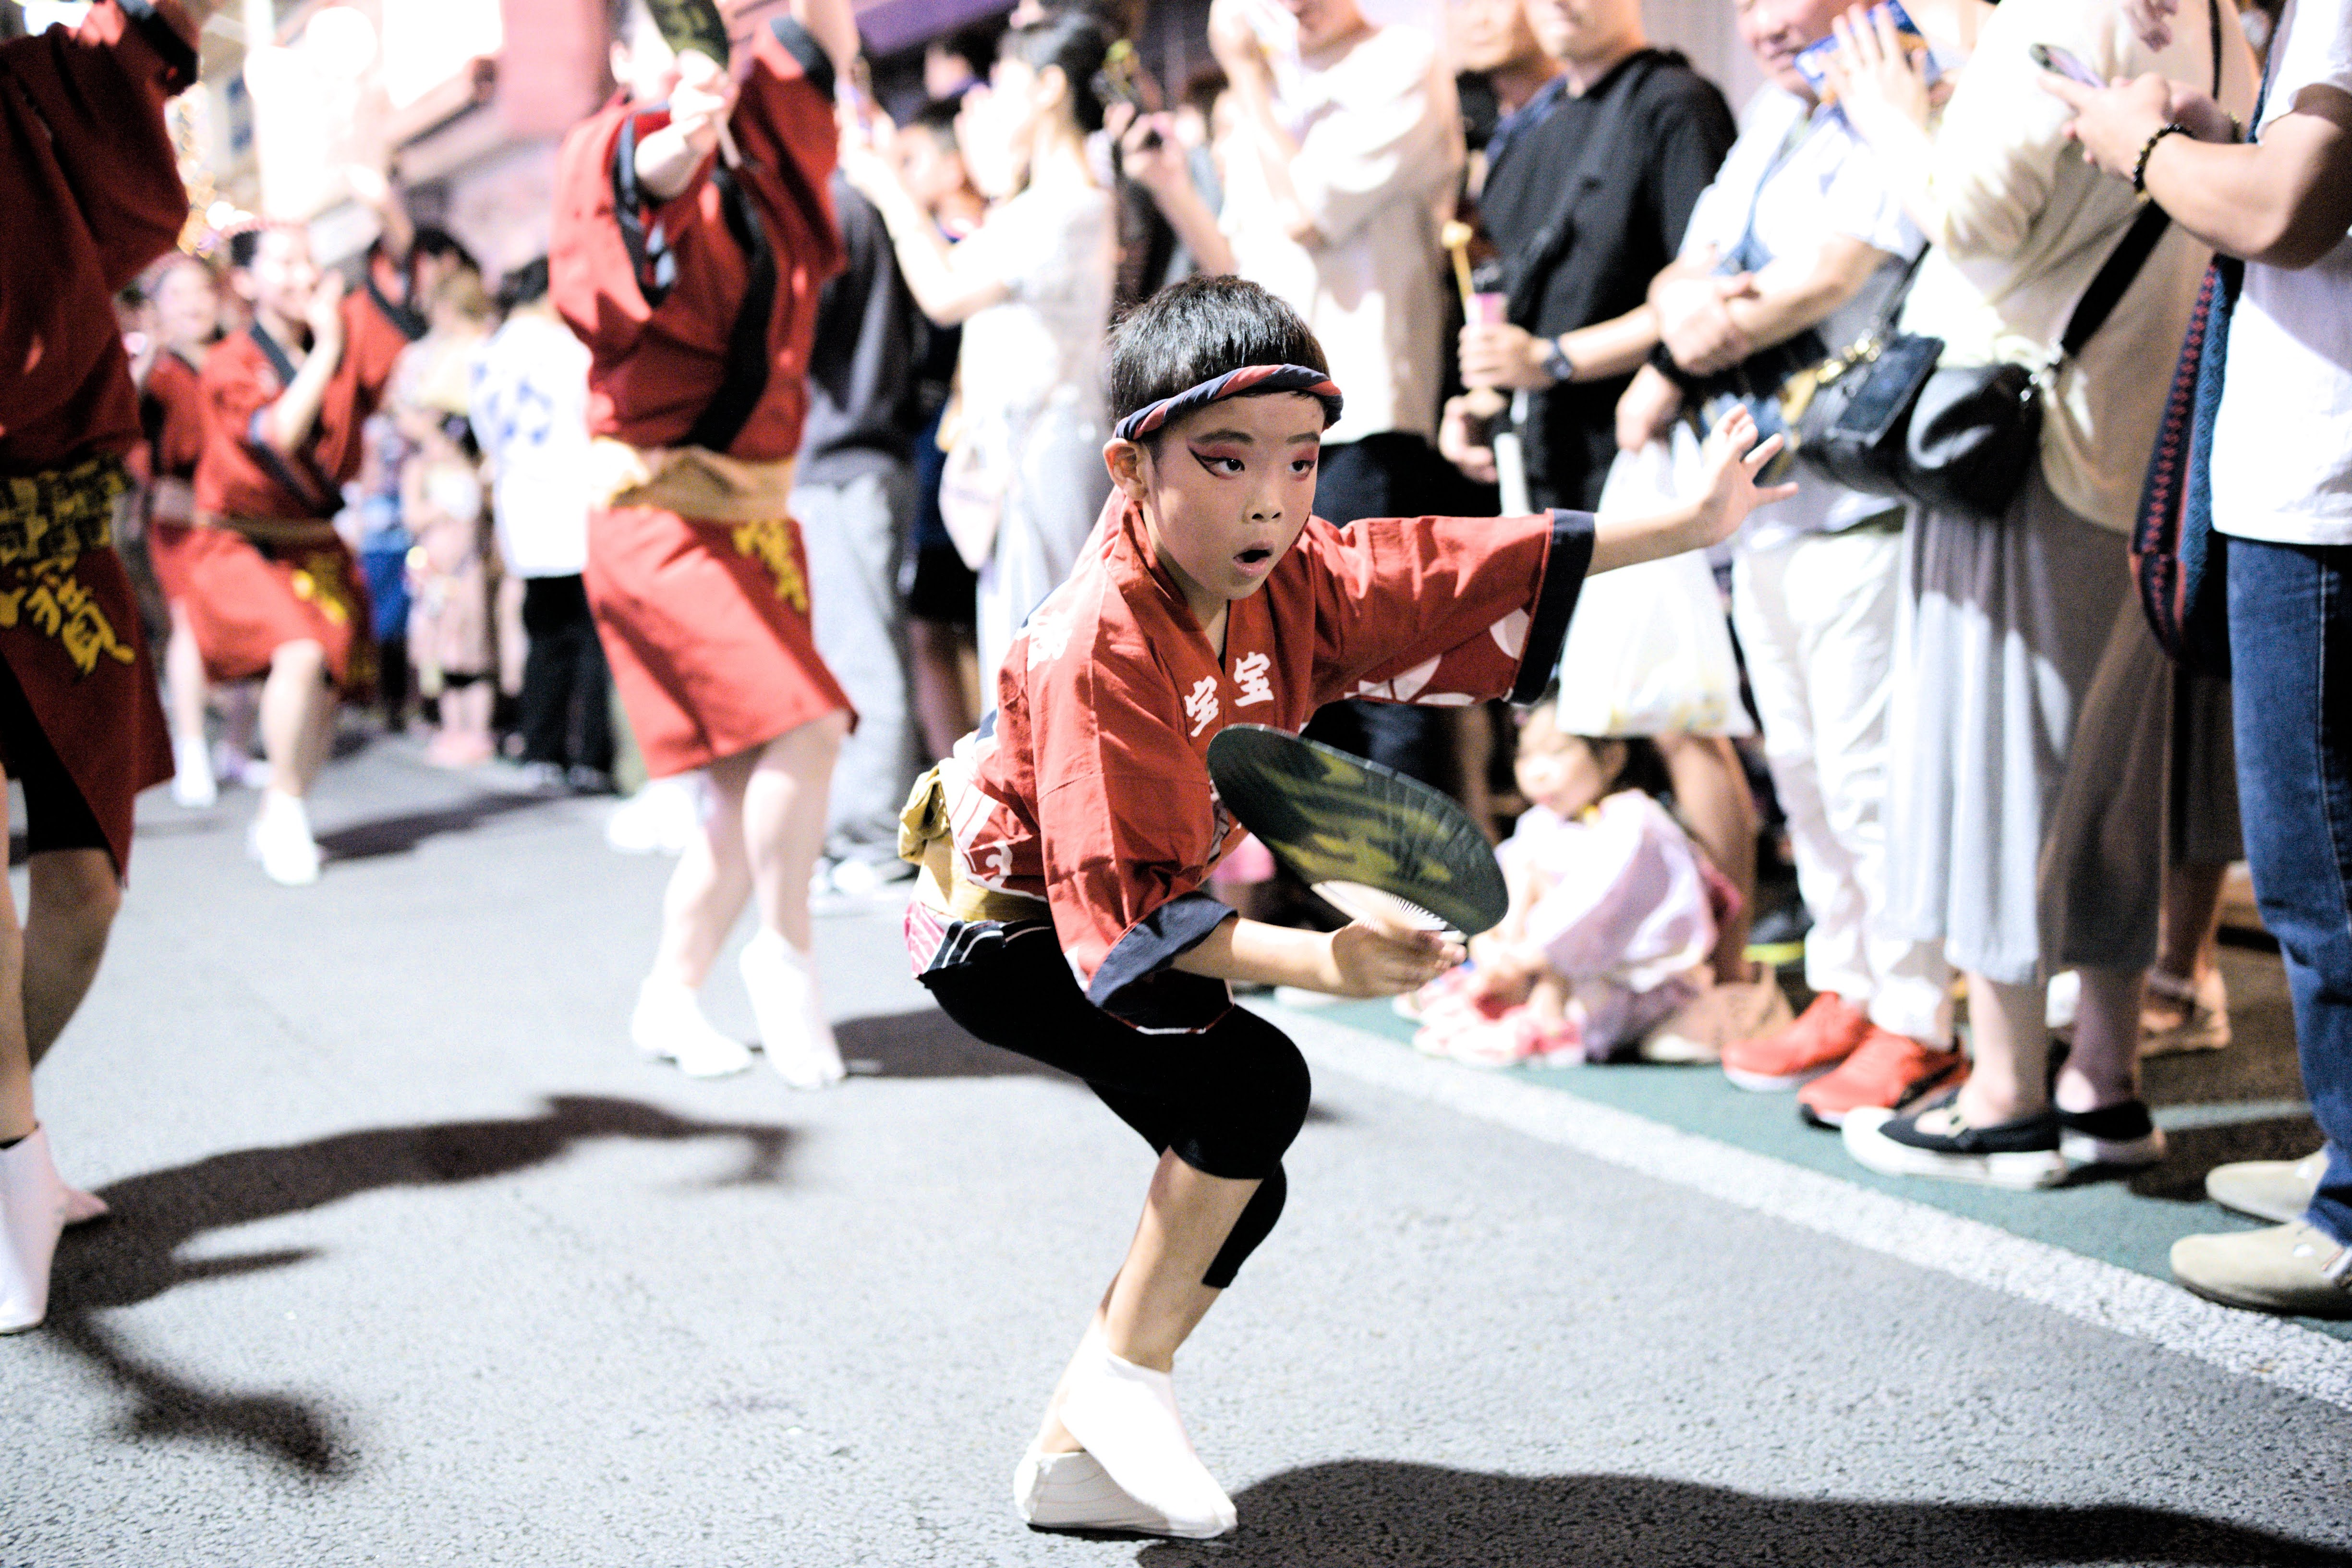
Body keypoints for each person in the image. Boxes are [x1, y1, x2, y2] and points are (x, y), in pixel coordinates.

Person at [899, 275, 1794, 1538]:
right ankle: (1119, 1388)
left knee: (1238, 1174)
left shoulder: (1290, 571)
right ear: (1131, 466)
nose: (1270, 498)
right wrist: (1333, 961)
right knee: (1251, 1089)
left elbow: (1445, 569)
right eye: (1225, 460)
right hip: (1003, 926)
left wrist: (1687, 524)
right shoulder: (1099, 637)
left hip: (1098, 908)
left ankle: (1072, 1455)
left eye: (1302, 459)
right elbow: (1122, 916)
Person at [1812, 0, 2253, 1186]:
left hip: (2026, 446)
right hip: (2148, 447)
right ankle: (2102, 1085)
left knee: (1994, 769)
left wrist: (1888, 117)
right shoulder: (2212, 18)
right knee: (2111, 783)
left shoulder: (2056, 10)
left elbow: (1969, 221)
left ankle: (2005, 1092)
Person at [2048, 0, 2352, 1312]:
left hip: (2324, 497)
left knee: (2321, 875)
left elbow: (2287, 210)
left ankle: (2351, 1212)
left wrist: (2141, 147)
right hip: (2312, 491)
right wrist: (2215, 134)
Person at [551, 0, 861, 1086]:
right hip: (657, 519)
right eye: (667, 38)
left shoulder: (757, 122)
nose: (697, 53)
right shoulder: (618, 143)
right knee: (807, 724)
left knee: (742, 796)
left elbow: (823, 43)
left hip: (753, 519)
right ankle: (786, 956)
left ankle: (669, 996)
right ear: (623, 53)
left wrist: (716, 111)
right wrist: (680, 138)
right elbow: (648, 174)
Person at [0, 0, 208, 1335]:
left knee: (85, 885)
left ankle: (7, 1142)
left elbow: (133, 202)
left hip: (59, 539)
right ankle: (10, 1165)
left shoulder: (38, 85)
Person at [1206, 0, 1467, 789]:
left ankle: (1409, 869)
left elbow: (1307, 215)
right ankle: (1324, 868)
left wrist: (1245, 77)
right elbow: (1241, 257)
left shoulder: (1400, 64)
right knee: (1293, 676)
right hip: (1263, 419)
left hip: (1364, 414)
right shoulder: (1268, 83)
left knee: (1383, 676)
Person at [844, 12, 1119, 691]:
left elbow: (943, 293)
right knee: (1028, 655)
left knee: (1048, 658)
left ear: (1049, 87)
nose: (989, 101)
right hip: (1023, 454)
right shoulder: (1044, 202)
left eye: (1003, 82)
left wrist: (888, 189)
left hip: (1044, 458)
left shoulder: (1069, 206)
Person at [187, 191, 434, 886]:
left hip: (318, 541)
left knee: (326, 681)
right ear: (245, 282)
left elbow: (401, 293)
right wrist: (327, 347)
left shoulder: (344, 328)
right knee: (299, 652)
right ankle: (285, 804)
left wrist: (388, 212)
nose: (302, 276)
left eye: (308, 262)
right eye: (284, 264)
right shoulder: (231, 361)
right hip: (241, 543)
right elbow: (280, 433)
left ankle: (282, 807)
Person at [1409, 704, 1724, 1068]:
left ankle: (1544, 1012)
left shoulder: (1633, 818)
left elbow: (1589, 905)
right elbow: (1505, 880)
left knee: (1562, 966)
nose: (1537, 772)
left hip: (1633, 980)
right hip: (1543, 960)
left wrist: (1521, 959)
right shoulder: (1543, 820)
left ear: (1611, 758)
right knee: (1522, 868)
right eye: (1525, 755)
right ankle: (1507, 988)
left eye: (1556, 752)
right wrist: (1490, 941)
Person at [794, 154, 925, 894]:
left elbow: (791, 336)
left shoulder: (833, 206)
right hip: (857, 455)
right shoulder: (852, 201)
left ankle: (873, 836)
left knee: (860, 652)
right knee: (860, 647)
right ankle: (865, 832)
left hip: (844, 456)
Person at [469, 256, 613, 792]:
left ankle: (542, 748)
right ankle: (592, 756)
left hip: (523, 507)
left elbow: (486, 435)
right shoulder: (570, 349)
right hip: (575, 501)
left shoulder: (487, 355)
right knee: (592, 637)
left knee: (544, 633)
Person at [134, 253, 231, 807]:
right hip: (181, 518)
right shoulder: (158, 370)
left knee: (239, 626)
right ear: (158, 308)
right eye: (179, 294)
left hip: (241, 514)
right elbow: (120, 414)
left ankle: (237, 744)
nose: (193, 304)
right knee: (189, 623)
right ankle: (191, 748)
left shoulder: (240, 355)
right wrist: (149, 352)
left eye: (201, 291)